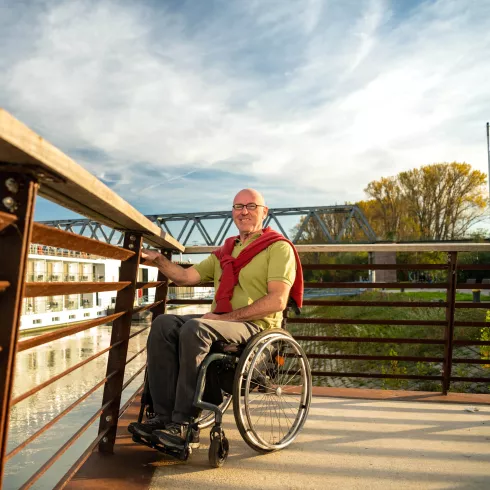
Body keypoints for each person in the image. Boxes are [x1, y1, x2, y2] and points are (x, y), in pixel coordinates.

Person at [128, 188, 303, 449]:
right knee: (164, 324)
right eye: (238, 206)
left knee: (197, 329)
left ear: (264, 212)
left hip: (256, 327)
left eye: (251, 206)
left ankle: (185, 424)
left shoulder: (278, 248)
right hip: (220, 322)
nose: (244, 211)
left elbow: (276, 301)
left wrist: (227, 318)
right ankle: (163, 418)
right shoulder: (226, 251)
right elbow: (186, 277)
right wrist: (160, 261)